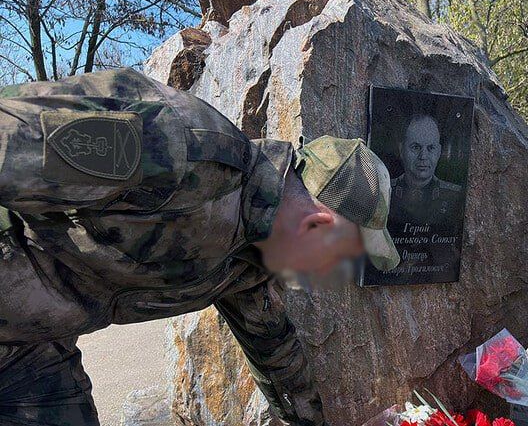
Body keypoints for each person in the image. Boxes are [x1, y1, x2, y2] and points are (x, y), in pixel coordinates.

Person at [0, 68, 400, 426]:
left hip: (29, 351)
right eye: (341, 260)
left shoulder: (252, 264)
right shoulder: (181, 150)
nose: (332, 278)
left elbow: (280, 362)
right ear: (316, 226)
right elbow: (8, 142)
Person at [389, 113, 462, 227]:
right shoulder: (385, 191)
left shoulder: (454, 196)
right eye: (415, 147)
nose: (423, 156)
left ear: (438, 152)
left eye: (430, 148)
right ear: (401, 149)